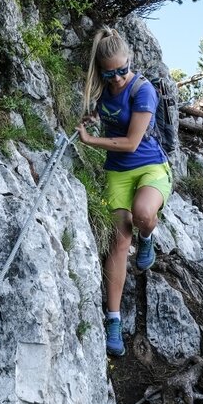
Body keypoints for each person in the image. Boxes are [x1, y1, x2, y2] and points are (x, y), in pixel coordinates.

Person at [76, 27, 173, 357]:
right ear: (102, 71)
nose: (117, 79)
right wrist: (92, 116)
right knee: (118, 241)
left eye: (122, 70)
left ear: (129, 62)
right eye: (110, 73)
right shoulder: (104, 91)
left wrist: (91, 141)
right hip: (117, 172)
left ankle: (148, 237)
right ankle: (113, 320)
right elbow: (102, 114)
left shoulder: (142, 90)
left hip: (150, 167)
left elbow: (131, 143)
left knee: (143, 214)